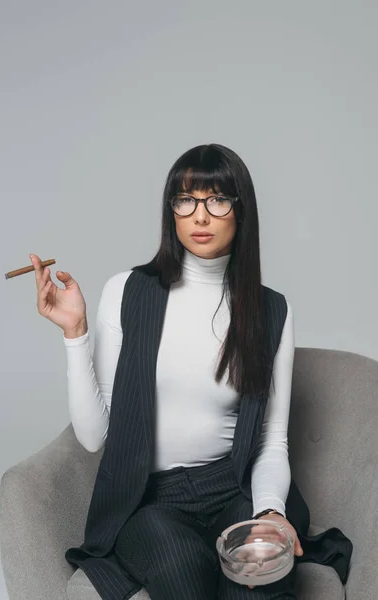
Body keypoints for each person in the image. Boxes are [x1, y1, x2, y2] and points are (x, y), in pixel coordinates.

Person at [30, 143, 351, 600]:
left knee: (256, 581)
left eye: (217, 200)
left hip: (232, 487)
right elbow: (93, 436)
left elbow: (271, 441)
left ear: (241, 211)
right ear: (172, 211)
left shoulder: (271, 310)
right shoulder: (128, 291)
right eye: (186, 200)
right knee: (182, 569)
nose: (200, 216)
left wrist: (270, 513)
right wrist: (75, 332)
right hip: (151, 499)